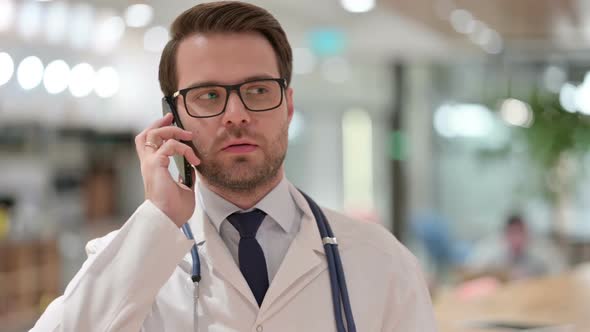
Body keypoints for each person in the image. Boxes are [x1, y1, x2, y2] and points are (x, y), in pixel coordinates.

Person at [30, 2, 436, 331]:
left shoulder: (382, 262)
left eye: (257, 90)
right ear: (173, 117)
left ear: (288, 106)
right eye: (208, 95)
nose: (236, 114)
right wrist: (160, 219)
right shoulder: (132, 258)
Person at [465, 214, 565, 281]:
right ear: (506, 235)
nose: (517, 239)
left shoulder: (539, 254)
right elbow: (473, 269)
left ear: (527, 233)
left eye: (520, 233)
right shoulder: (494, 255)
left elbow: (559, 272)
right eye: (512, 234)